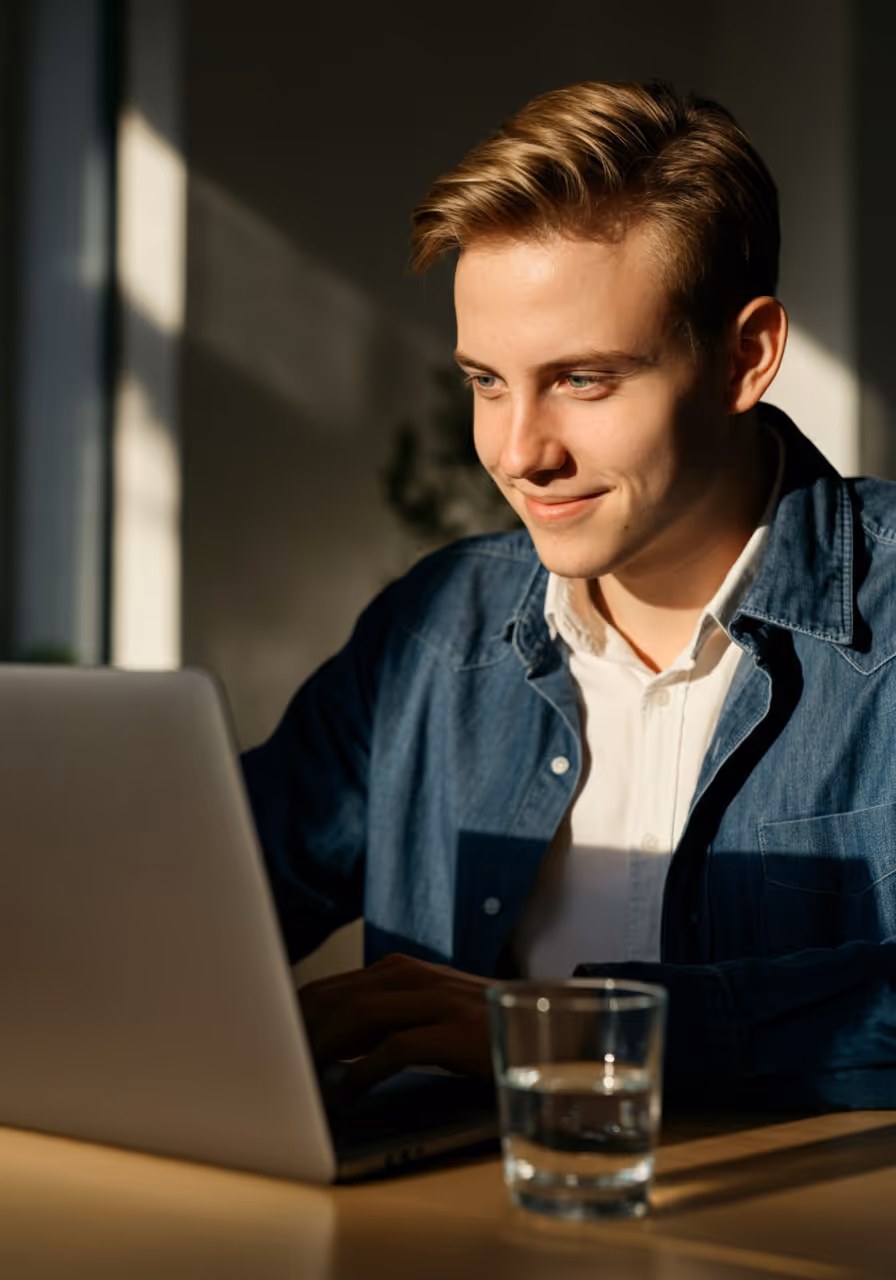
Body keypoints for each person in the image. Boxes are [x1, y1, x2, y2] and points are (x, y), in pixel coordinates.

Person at [241, 79, 896, 1111]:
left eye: (582, 379)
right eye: (486, 381)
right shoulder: (430, 632)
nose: (516, 453)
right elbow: (198, 907)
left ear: (745, 354)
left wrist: (582, 1033)